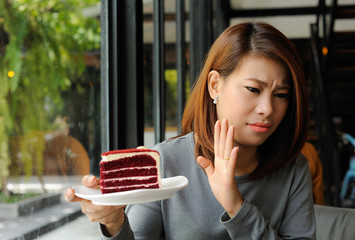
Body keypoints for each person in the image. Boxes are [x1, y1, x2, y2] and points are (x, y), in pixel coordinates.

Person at [65, 22, 315, 239]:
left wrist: (235, 205)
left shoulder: (293, 170)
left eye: (281, 94)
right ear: (215, 85)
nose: (267, 108)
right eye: (253, 89)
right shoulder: (169, 160)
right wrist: (113, 223)